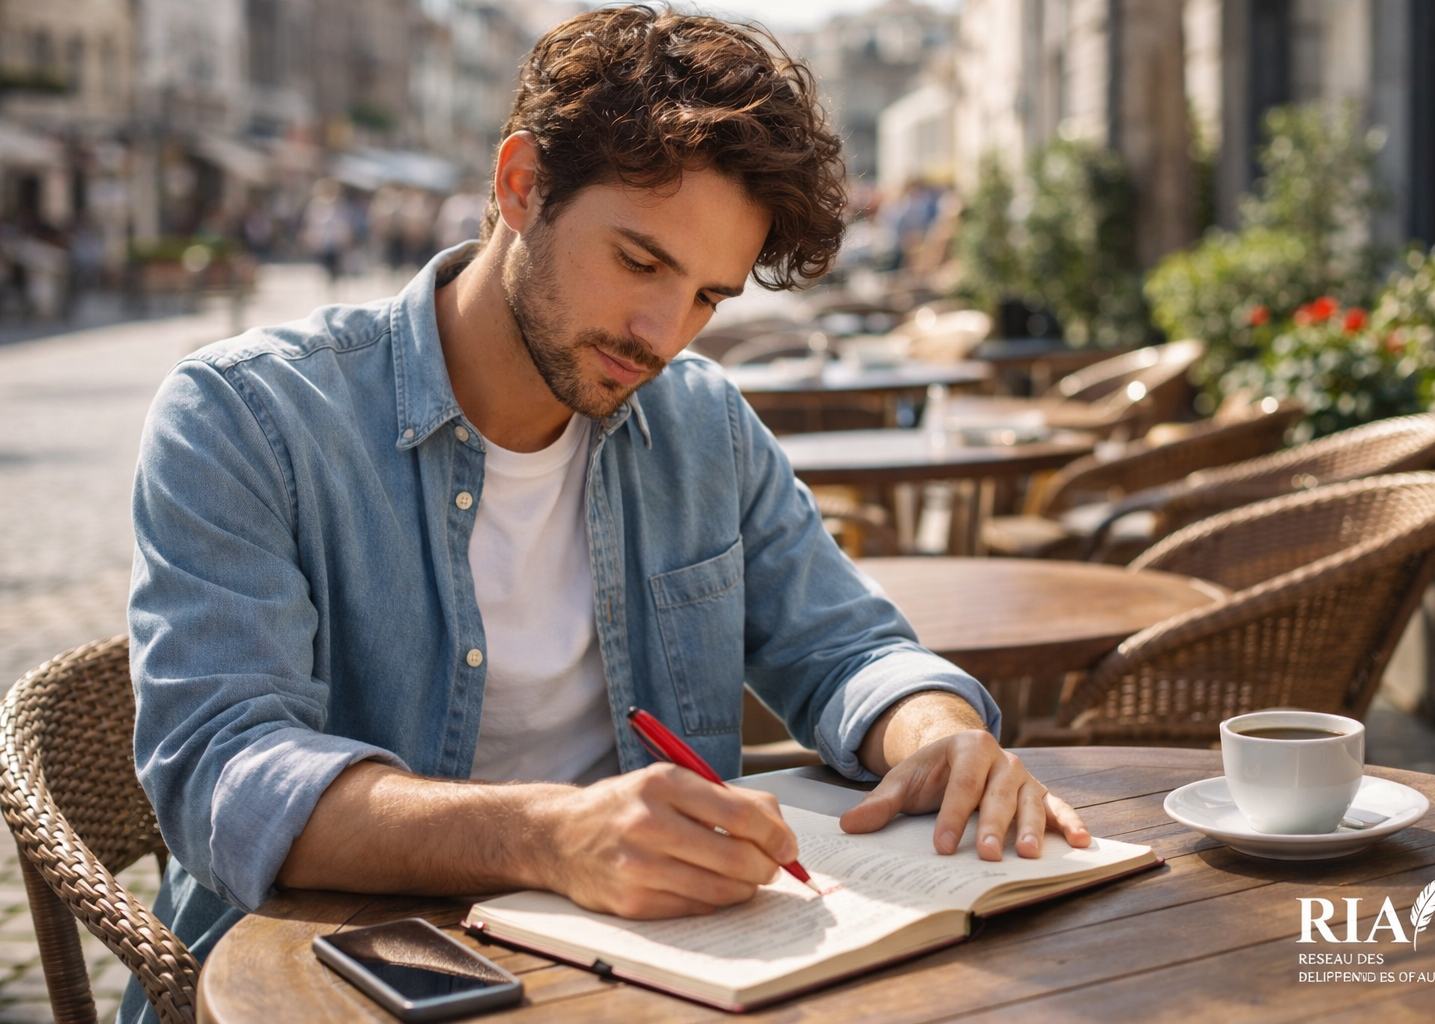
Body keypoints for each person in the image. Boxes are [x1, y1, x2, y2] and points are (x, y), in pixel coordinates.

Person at [125, 7, 1089, 1020]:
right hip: (330, 985)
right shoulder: (246, 417)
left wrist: (930, 728)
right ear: (519, 185)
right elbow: (223, 770)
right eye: (639, 262)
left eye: (708, 296)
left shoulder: (702, 424)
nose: (662, 334)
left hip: (667, 975)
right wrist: (547, 834)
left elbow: (845, 644)